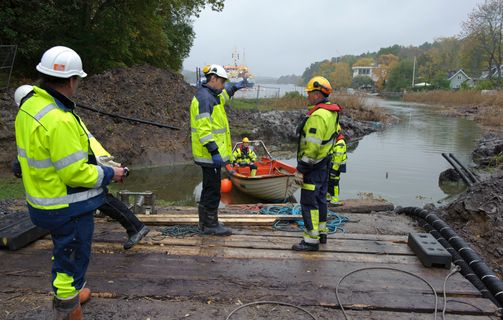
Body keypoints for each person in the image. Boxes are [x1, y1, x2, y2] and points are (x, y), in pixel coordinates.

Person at [14, 46, 126, 319]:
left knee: (63, 250)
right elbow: (74, 173)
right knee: (72, 260)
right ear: (72, 80)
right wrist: (111, 174)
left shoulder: (30, 107)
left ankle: (72, 294)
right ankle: (68, 308)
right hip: (67, 207)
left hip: (42, 201)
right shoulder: (59, 119)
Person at [14, 85, 150, 251]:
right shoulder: (45, 112)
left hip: (86, 159)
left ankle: (136, 227)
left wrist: (107, 168)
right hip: (85, 158)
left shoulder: (45, 114)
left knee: (101, 198)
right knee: (100, 199)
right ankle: (135, 227)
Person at [189, 64, 245, 236]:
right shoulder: (205, 99)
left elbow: (224, 96)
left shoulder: (212, 95)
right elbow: (204, 131)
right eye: (222, 81)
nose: (223, 85)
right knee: (213, 190)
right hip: (210, 155)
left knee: (209, 188)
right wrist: (214, 152)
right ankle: (211, 225)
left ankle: (205, 223)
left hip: (210, 155)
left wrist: (234, 87)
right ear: (213, 79)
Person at [293, 76, 341, 251]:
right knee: (321, 200)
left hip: (313, 167)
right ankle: (322, 233)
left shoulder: (318, 116)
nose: (307, 96)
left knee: (309, 203)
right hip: (324, 164)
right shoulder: (331, 112)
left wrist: (301, 170)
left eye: (309, 93)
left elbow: (312, 147)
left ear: (316, 93)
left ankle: (310, 241)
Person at [327, 131, 347, 205]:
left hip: (337, 168)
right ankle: (328, 197)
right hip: (333, 166)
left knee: (334, 183)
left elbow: (337, 159)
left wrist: (334, 170)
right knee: (329, 181)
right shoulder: (337, 142)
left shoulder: (340, 144)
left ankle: (335, 199)